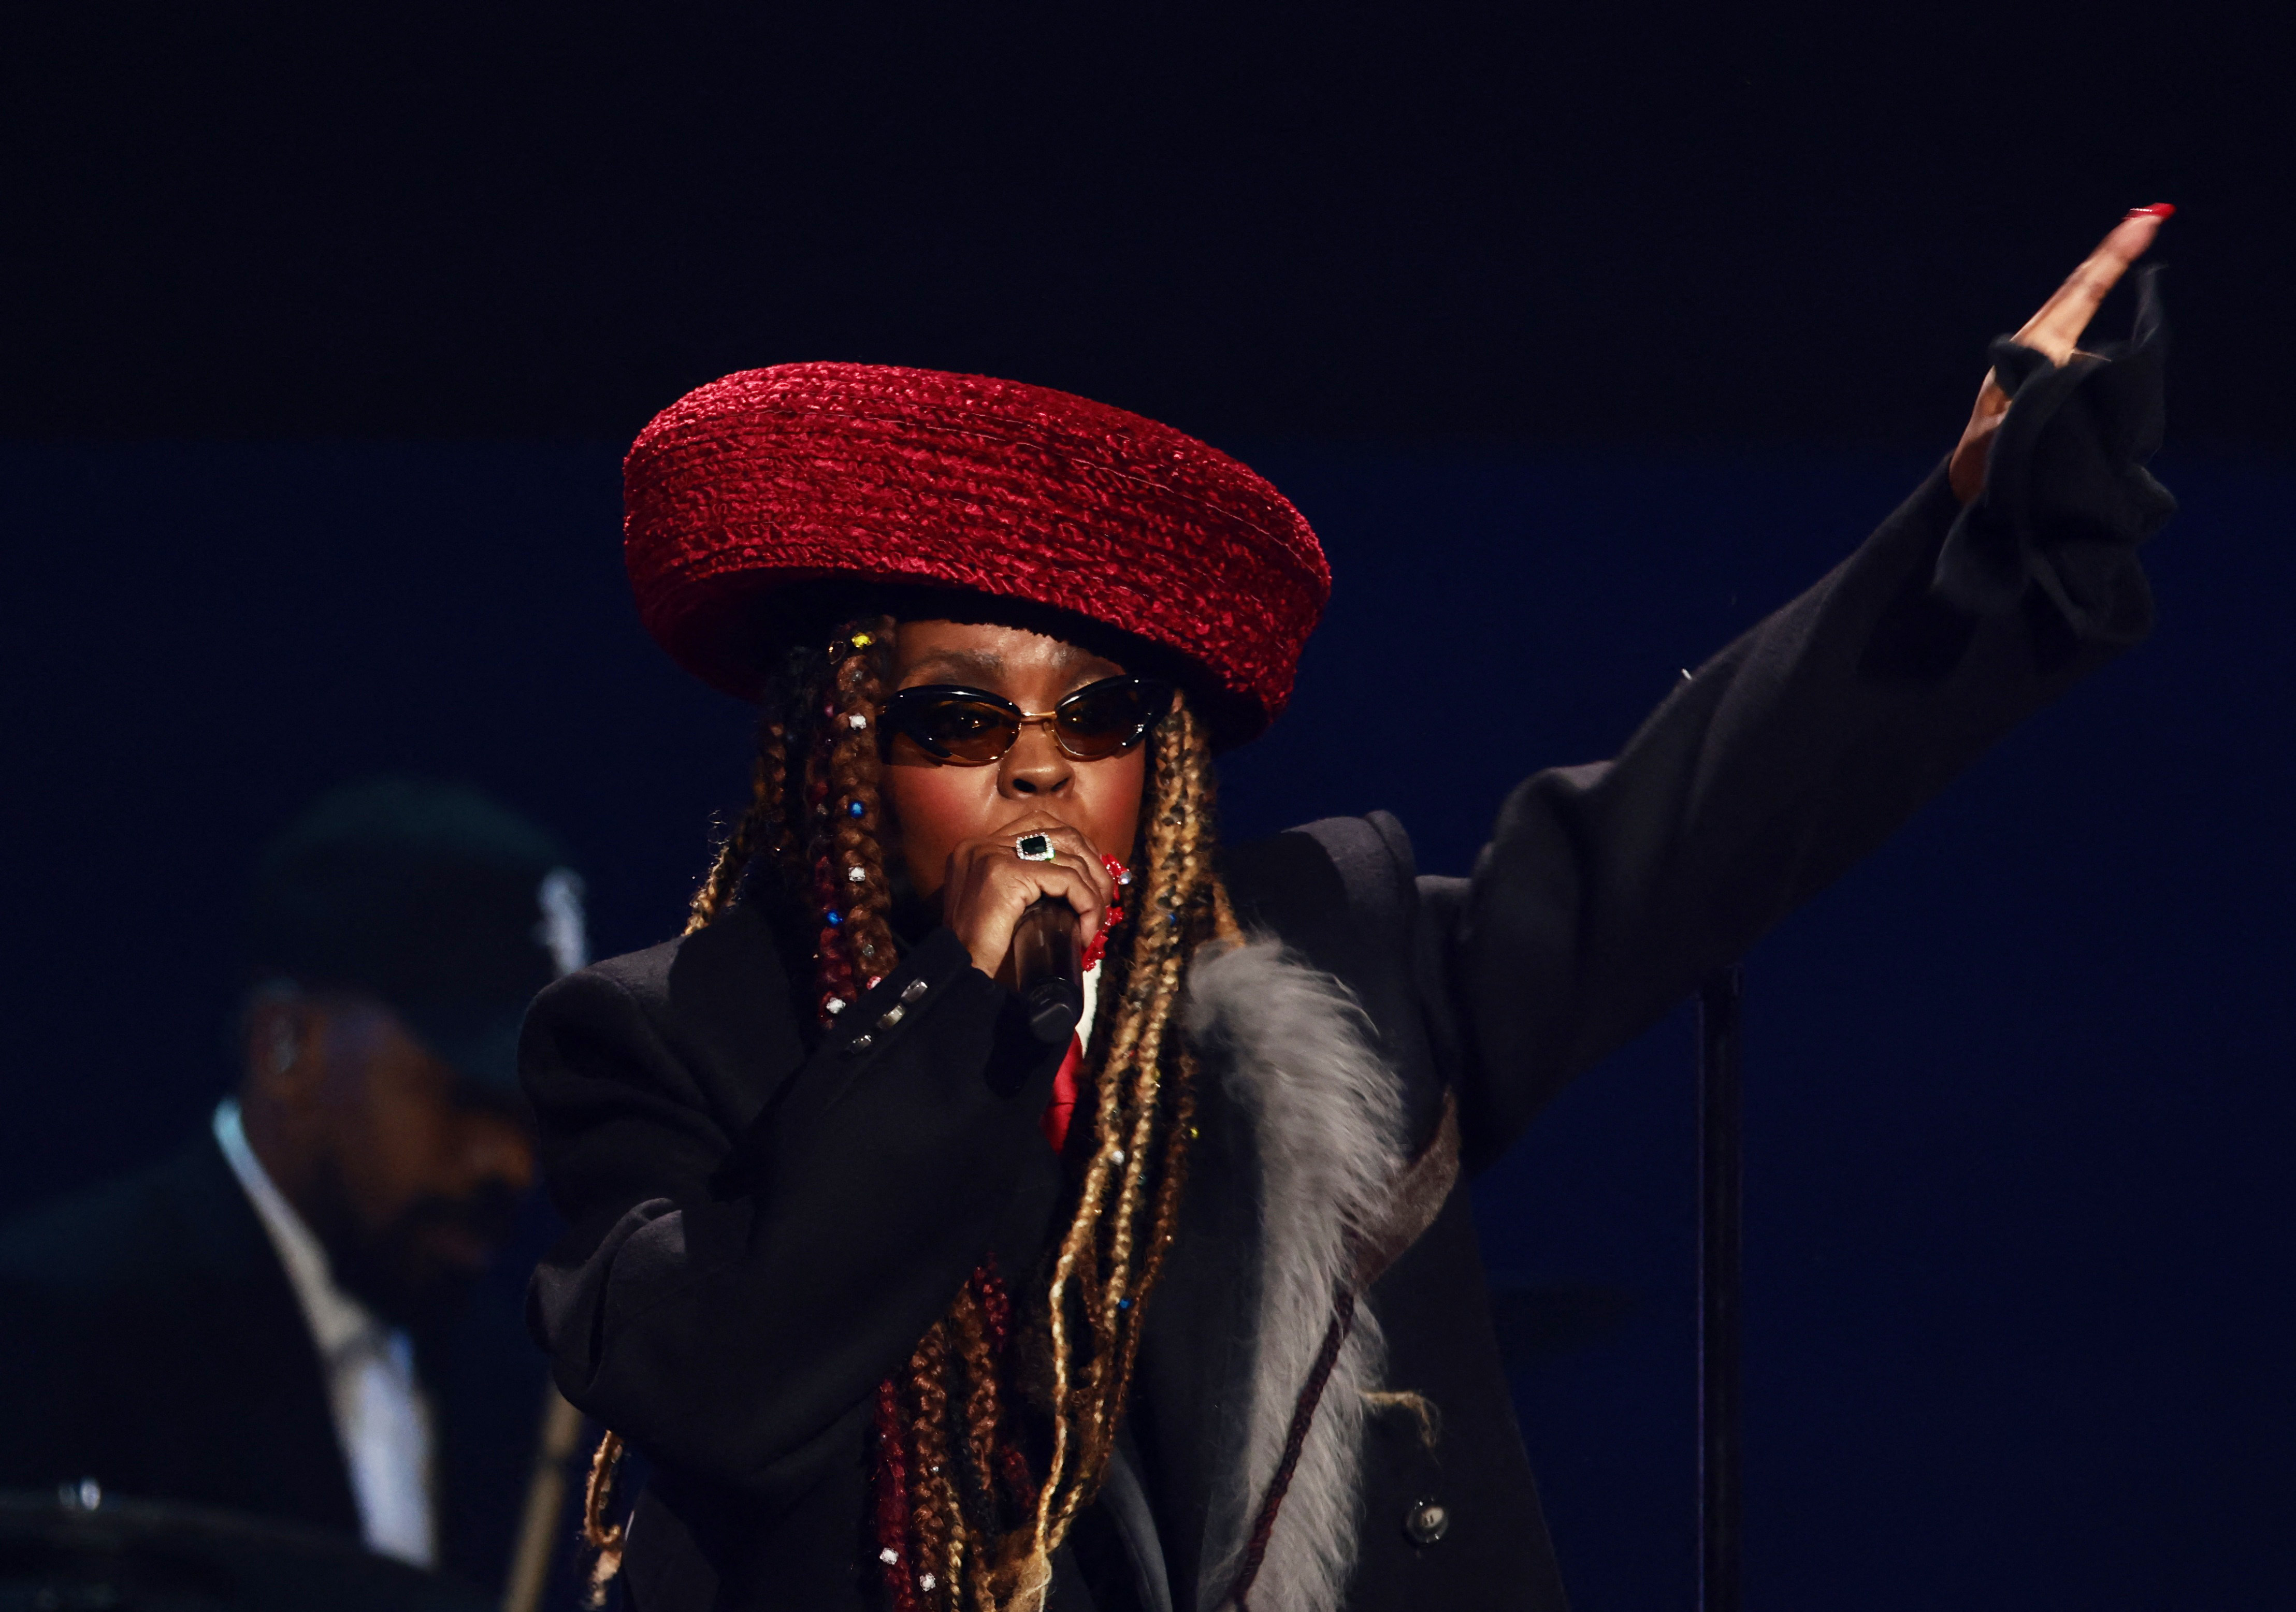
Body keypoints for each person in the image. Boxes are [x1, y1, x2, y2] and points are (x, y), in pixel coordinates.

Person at [522, 210, 2177, 1612]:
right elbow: (727, 1386)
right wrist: (957, 1011)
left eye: (1097, 719)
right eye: (962, 722)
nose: (1042, 772)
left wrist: (1971, 540)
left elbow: (1689, 824)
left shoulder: (1318, 961)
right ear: (841, 758)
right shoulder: (667, 1040)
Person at [0, 777, 588, 1595]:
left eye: (529, 1113)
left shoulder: (521, 1387)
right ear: (286, 1048)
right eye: (463, 1094)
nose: (509, 1162)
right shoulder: (51, 1326)